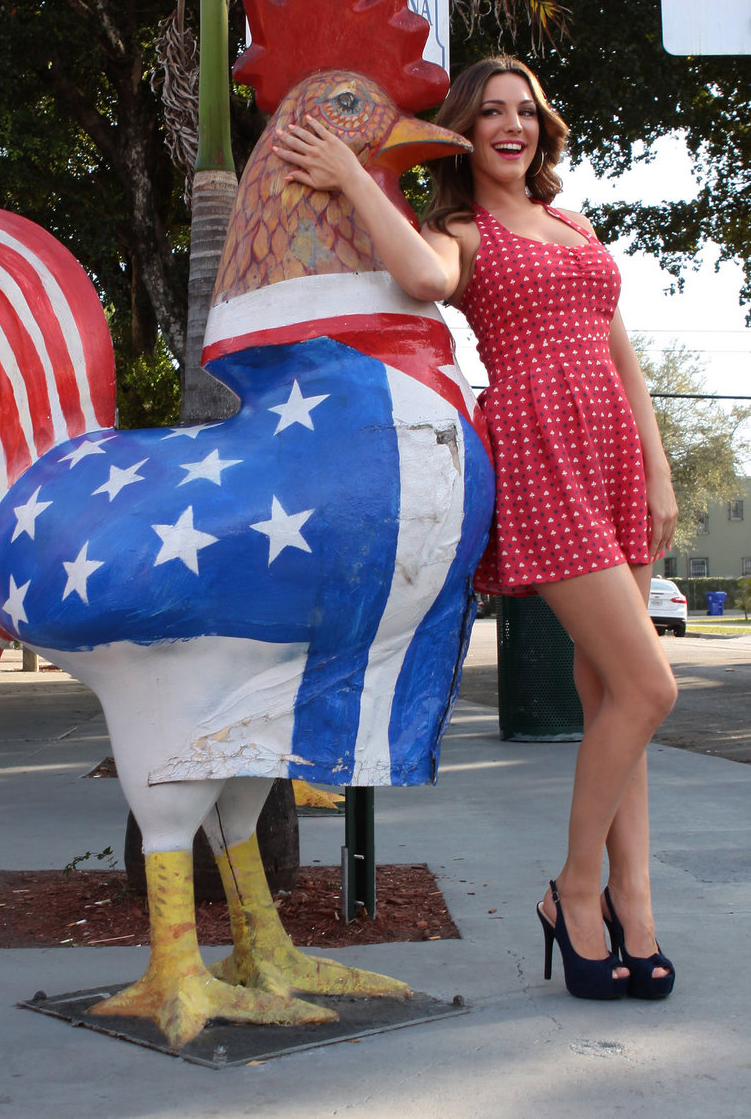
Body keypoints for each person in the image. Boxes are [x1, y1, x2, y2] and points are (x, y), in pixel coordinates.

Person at [273, 54, 678, 1001]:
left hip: (611, 453)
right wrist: (347, 176)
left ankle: (637, 903)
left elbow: (620, 352)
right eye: (490, 112)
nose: (512, 125)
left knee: (614, 697)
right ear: (464, 132)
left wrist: (657, 470)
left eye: (525, 110)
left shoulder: (573, 223)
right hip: (539, 458)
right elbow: (417, 278)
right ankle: (576, 894)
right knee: (648, 687)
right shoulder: (456, 229)